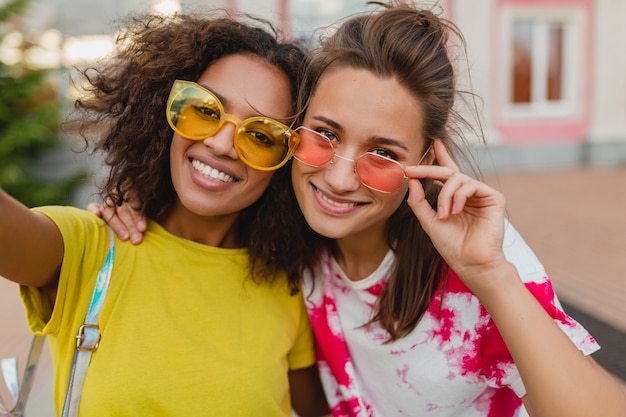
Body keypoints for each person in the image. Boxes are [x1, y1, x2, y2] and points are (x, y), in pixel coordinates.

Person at [93, 2, 626, 416]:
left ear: (425, 159)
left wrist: (492, 276)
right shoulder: (288, 231)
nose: (339, 177)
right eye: (324, 135)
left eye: (383, 154)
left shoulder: (476, 252)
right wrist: (142, 190)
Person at [0, 11, 330, 417]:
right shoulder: (89, 248)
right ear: (165, 111)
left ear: (286, 163)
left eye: (262, 135)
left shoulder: (289, 284)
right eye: (205, 110)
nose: (223, 145)